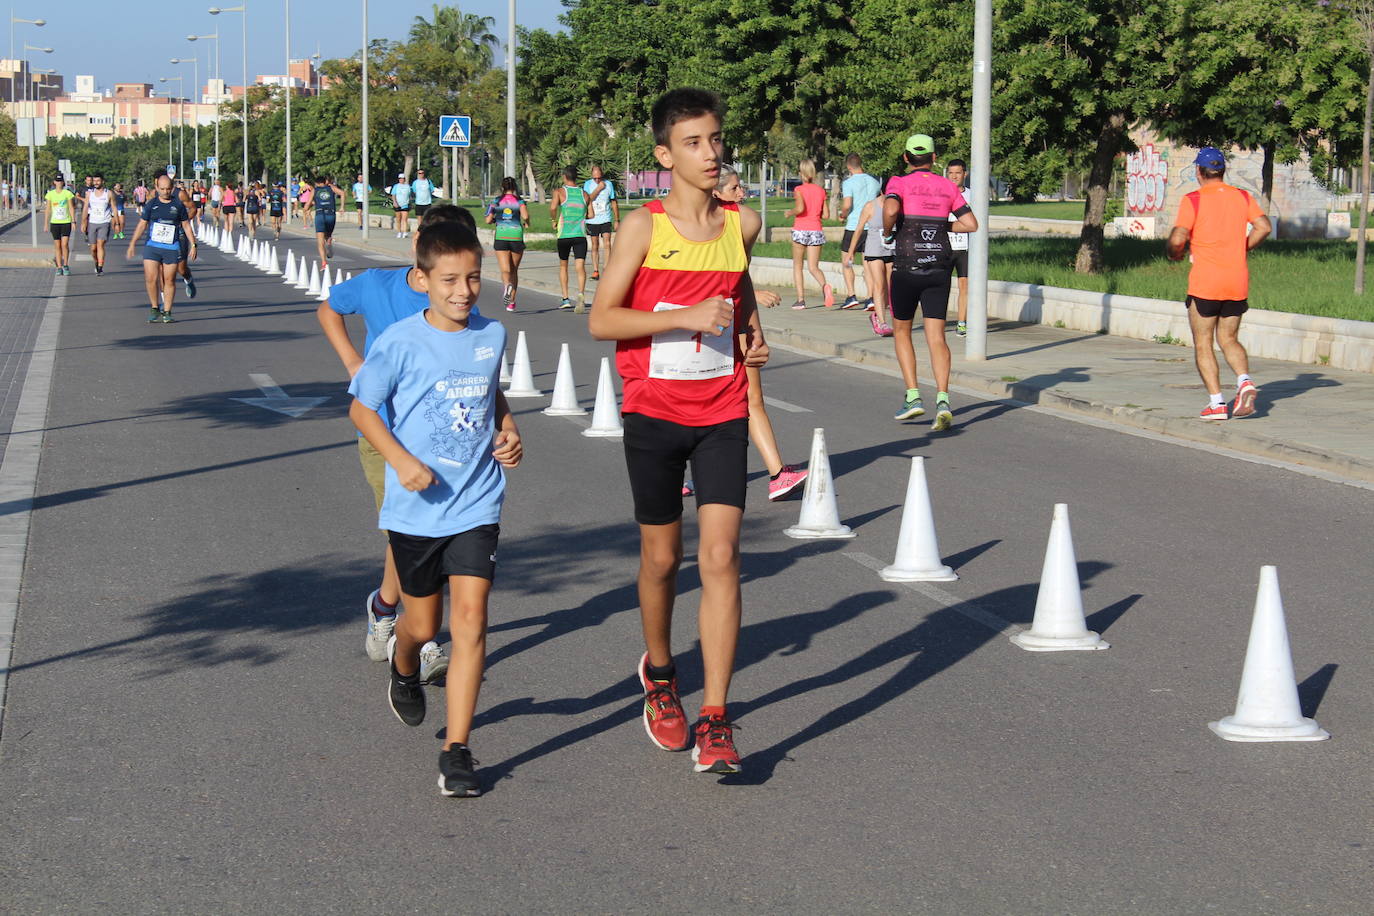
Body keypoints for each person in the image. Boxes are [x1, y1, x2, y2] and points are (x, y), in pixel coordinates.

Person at [588, 88, 770, 776]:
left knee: (720, 558)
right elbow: (602, 321)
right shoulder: (643, 226)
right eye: (693, 142)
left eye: (716, 139)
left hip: (722, 409)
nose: (710, 152)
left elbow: (740, 292)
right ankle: (661, 675)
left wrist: (755, 336)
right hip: (654, 412)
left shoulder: (741, 224)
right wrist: (682, 318)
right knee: (662, 560)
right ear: (664, 155)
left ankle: (716, 717)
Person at [347, 221, 522, 798]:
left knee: (471, 619)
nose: (464, 291)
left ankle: (458, 750)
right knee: (423, 629)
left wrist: (507, 425)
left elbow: (487, 389)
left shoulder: (490, 335)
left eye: (474, 277)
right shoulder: (398, 341)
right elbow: (362, 410)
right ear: (421, 279)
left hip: (476, 500)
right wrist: (399, 461)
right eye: (450, 279)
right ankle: (403, 667)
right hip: (416, 509)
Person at [318, 205, 475, 684]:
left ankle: (385, 605)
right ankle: (424, 640)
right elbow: (329, 308)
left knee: (422, 539)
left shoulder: (461, 297)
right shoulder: (376, 286)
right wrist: (352, 362)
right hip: (384, 434)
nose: (458, 283)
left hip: (443, 440)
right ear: (420, 249)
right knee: (409, 538)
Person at [714, 165, 808, 501]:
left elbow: (738, 275)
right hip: (715, 318)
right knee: (742, 398)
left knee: (742, 397)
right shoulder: (737, 222)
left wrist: (754, 303)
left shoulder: (736, 222)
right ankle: (776, 474)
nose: (742, 193)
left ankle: (777, 473)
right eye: (735, 188)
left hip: (730, 314)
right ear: (715, 190)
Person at [1166, 147, 1271, 420]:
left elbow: (1179, 236)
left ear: (1198, 172)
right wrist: (1243, 248)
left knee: (1204, 343)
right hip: (1236, 280)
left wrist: (1174, 253)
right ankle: (1245, 381)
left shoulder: (1194, 199)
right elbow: (1264, 226)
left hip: (1206, 283)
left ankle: (1216, 404)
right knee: (1229, 338)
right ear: (1223, 170)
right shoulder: (1242, 196)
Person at [882, 133, 978, 430]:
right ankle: (943, 399)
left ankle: (913, 396)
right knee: (937, 336)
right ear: (935, 158)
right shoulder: (948, 185)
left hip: (907, 266)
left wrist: (888, 231)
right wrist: (943, 223)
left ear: (907, 158)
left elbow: (891, 209)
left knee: (902, 330)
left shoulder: (898, 182)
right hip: (939, 267)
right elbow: (971, 224)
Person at [126, 173, 197, 323]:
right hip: (152, 246)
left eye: (168, 189)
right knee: (151, 278)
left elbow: (186, 225)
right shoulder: (151, 204)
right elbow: (142, 224)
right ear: (157, 188)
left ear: (172, 188)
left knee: (169, 279)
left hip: (171, 247)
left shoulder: (178, 204)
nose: (165, 191)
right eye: (162, 188)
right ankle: (154, 307)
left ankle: (167, 311)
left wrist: (193, 244)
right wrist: (132, 243)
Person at [846, 195, 896, 337]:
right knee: (879, 285)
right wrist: (851, 252)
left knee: (890, 286)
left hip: (892, 249)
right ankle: (882, 322)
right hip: (874, 250)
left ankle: (876, 315)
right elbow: (859, 229)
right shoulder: (871, 206)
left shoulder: (898, 205)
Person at [838, 153, 881, 309]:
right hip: (871, 226)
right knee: (867, 264)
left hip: (854, 226)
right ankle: (870, 298)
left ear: (849, 166)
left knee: (847, 262)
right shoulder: (874, 181)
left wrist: (842, 214)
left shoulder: (849, 183)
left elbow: (847, 204)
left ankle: (851, 295)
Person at [786, 158, 831, 309]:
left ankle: (800, 300)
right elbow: (826, 215)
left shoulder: (799, 190)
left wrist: (789, 212)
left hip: (801, 229)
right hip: (816, 230)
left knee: (798, 266)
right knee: (813, 267)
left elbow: (800, 209)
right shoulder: (821, 191)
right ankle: (825, 287)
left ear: (801, 173)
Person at [485, 177, 530, 312]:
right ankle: (511, 302)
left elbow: (488, 220)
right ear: (515, 187)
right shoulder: (520, 201)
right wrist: (527, 222)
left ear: (502, 187)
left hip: (501, 236)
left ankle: (506, 288)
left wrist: (495, 218)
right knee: (514, 270)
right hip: (516, 236)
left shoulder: (496, 201)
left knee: (505, 270)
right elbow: (525, 216)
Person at [550, 166, 589, 311]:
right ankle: (581, 294)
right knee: (580, 267)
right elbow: (590, 214)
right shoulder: (584, 194)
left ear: (564, 177)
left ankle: (565, 298)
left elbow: (553, 208)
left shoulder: (560, 192)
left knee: (563, 266)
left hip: (564, 235)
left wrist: (553, 220)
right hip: (580, 235)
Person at [945, 159, 971, 337]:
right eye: (951, 173)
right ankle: (938, 321)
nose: (954, 176)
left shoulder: (972, 195)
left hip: (965, 248)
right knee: (941, 286)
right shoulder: (941, 194)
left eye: (958, 173)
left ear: (965, 174)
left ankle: (962, 323)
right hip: (945, 247)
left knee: (964, 285)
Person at [583, 164, 620, 281]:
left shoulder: (609, 184)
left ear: (602, 175)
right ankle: (595, 270)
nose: (597, 180)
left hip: (606, 218)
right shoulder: (588, 184)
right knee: (595, 245)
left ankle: (606, 269)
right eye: (595, 178)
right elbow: (587, 200)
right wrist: (598, 188)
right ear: (592, 176)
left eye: (599, 177)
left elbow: (613, 202)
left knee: (607, 243)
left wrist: (617, 219)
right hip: (593, 219)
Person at [80, 174, 116, 275]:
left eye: (98, 181)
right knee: (93, 248)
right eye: (94, 181)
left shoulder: (108, 193)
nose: (96, 183)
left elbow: (114, 208)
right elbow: (85, 208)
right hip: (92, 222)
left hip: (104, 222)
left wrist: (116, 223)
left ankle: (100, 267)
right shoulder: (89, 193)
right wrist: (83, 222)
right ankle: (96, 262)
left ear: (102, 181)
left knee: (100, 244)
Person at [44, 176, 77, 275]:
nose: (59, 183)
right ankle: (59, 267)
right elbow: (48, 209)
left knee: (64, 244)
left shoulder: (67, 193)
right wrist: (45, 223)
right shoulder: (50, 194)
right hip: (54, 223)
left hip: (66, 222)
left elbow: (71, 208)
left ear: (63, 182)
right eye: (57, 181)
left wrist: (73, 221)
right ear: (54, 182)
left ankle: (65, 265)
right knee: (57, 245)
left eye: (60, 181)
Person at [313, 176, 345, 265]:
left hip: (319, 214)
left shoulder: (315, 190)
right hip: (331, 215)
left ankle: (323, 262)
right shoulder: (331, 188)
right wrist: (342, 207)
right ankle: (329, 240)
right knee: (328, 235)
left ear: (317, 183)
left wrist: (306, 209)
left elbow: (308, 203)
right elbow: (342, 193)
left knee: (320, 240)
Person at [388, 173, 413, 238]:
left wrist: (410, 202)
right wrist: (394, 202)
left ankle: (405, 232)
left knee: (404, 219)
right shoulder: (396, 186)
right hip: (397, 204)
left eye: (402, 178)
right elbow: (393, 195)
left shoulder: (407, 186)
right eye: (400, 179)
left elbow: (410, 195)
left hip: (405, 204)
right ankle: (399, 232)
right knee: (398, 219)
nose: (401, 180)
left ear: (404, 179)